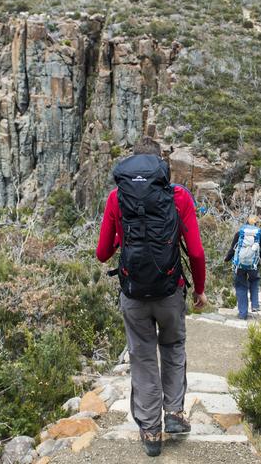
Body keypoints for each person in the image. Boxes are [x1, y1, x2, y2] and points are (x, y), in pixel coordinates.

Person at [96, 138, 207, 457]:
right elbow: (196, 252)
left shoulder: (117, 198)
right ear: (161, 164)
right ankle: (173, 413)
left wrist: (122, 238)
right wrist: (199, 289)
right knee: (172, 347)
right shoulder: (179, 196)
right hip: (170, 290)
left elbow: (103, 254)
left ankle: (150, 431)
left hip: (133, 293)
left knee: (142, 355)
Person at [224, 215, 261, 319]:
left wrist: (227, 259)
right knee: (254, 281)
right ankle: (255, 304)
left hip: (240, 266)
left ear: (246, 223)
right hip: (253, 266)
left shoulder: (240, 234)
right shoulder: (258, 236)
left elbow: (232, 249)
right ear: (256, 224)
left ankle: (242, 314)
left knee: (241, 287)